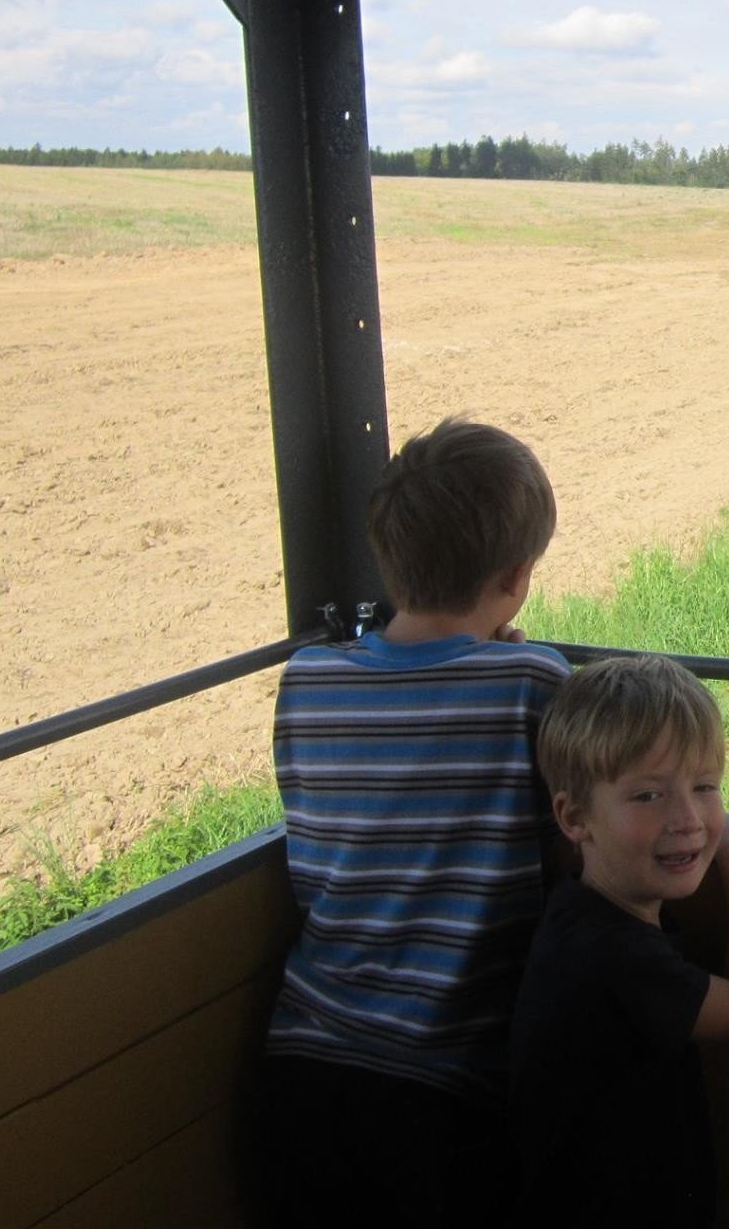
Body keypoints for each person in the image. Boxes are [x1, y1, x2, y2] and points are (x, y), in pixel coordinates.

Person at [255, 417, 568, 1226]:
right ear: (517, 576)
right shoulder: (533, 681)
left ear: (390, 562)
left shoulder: (306, 683)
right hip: (448, 1083)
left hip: (298, 1074)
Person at [509, 654, 729, 1226]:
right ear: (573, 818)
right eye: (648, 795)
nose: (688, 818)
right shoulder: (616, 956)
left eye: (705, 786)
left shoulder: (581, 915)